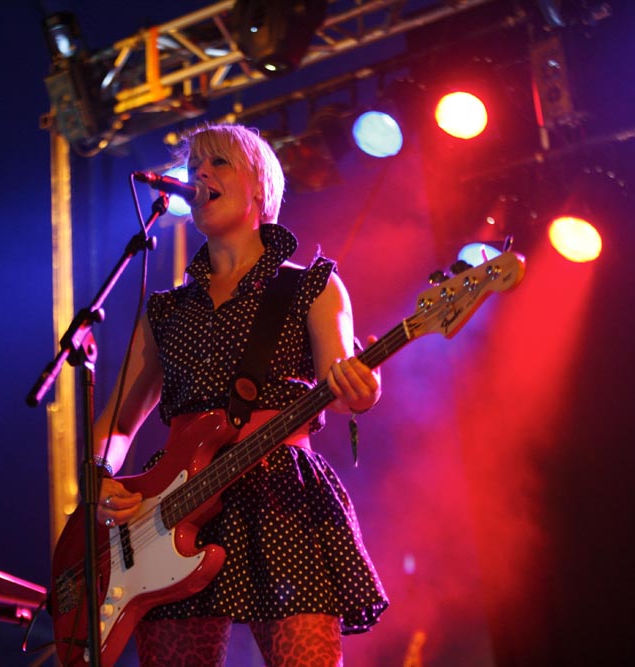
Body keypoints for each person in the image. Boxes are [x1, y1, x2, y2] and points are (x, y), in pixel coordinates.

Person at [92, 123, 388, 667]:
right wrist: (102, 479)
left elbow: (341, 386)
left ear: (259, 187)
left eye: (219, 163)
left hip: (281, 496)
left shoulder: (312, 285)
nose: (199, 173)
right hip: (172, 510)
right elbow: (117, 424)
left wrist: (361, 391)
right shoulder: (166, 310)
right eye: (195, 166)